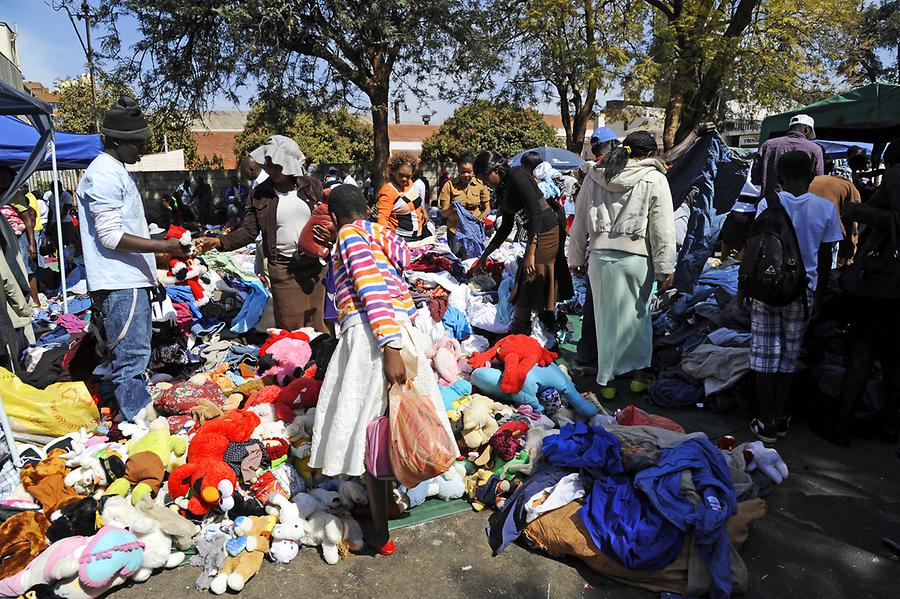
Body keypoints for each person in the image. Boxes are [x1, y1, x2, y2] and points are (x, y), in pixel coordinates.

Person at [309, 184, 457, 556]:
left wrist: (389, 347)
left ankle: (379, 533)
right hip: (399, 330)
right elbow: (400, 261)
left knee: (370, 433)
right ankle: (387, 504)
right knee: (392, 425)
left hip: (374, 337)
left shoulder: (349, 236)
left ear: (337, 215)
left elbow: (370, 287)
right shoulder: (379, 234)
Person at [76, 97, 188, 422]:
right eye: (136, 144)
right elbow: (111, 237)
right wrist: (164, 245)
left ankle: (137, 415)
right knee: (131, 358)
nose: (140, 150)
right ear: (115, 141)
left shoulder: (117, 171)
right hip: (118, 282)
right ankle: (137, 422)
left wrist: (151, 278)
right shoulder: (103, 175)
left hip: (131, 281)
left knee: (138, 355)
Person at [567, 131, 676, 397]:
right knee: (638, 319)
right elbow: (662, 228)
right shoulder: (655, 178)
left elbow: (579, 220)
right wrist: (665, 268)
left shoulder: (596, 176)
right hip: (636, 259)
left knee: (605, 321)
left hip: (600, 259)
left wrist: (575, 258)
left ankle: (606, 383)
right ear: (650, 154)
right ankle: (638, 376)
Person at [749, 151, 843, 443]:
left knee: (765, 356)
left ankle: (765, 421)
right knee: (789, 357)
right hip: (804, 291)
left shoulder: (768, 202)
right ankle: (781, 416)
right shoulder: (825, 208)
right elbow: (826, 257)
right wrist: (818, 295)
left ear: (779, 175)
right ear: (812, 175)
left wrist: (745, 288)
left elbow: (757, 246)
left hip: (767, 288)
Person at [195, 135, 329, 331]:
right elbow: (249, 232)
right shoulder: (258, 195)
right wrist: (218, 242)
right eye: (268, 163)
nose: (271, 169)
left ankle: (321, 360)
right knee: (291, 329)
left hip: (315, 268)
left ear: (289, 164)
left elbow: (327, 219)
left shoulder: (312, 186)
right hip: (283, 269)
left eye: (277, 164)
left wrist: (328, 236)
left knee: (320, 324)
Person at [816, 139, 900, 446]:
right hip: (888, 288)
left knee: (863, 354)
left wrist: (859, 211)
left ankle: (842, 423)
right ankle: (889, 425)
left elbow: (895, 220)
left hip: (882, 287)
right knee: (892, 360)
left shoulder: (895, 175)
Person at [473, 151, 564, 335]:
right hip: (535, 232)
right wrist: (485, 255)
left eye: (484, 177)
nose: (484, 183)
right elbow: (506, 226)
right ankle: (541, 325)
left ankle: (528, 328)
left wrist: (530, 253)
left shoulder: (517, 174)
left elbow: (536, 212)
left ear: (496, 170)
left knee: (531, 278)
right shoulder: (501, 189)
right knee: (529, 280)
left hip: (547, 229)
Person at [751, 113, 824, 199]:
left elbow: (755, 176)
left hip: (771, 203)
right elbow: (819, 181)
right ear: (806, 129)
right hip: (801, 204)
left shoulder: (768, 145)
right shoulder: (815, 149)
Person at [809, 160, 861, 267]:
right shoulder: (850, 187)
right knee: (828, 267)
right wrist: (851, 251)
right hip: (826, 228)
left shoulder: (816, 179)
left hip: (801, 223)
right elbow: (853, 224)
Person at [438, 153, 491, 256]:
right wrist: (453, 208)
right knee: (457, 261)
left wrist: (483, 216)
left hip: (475, 230)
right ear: (458, 170)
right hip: (455, 232)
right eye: (463, 172)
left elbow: (487, 208)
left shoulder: (480, 184)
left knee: (475, 258)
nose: (466, 175)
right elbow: (443, 213)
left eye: (469, 172)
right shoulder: (449, 186)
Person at [376, 153, 430, 241]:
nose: (404, 179)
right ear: (393, 171)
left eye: (408, 176)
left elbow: (413, 202)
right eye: (401, 175)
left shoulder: (410, 183)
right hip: (401, 239)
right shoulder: (388, 191)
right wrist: (386, 240)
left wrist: (424, 211)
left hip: (418, 235)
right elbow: (382, 218)